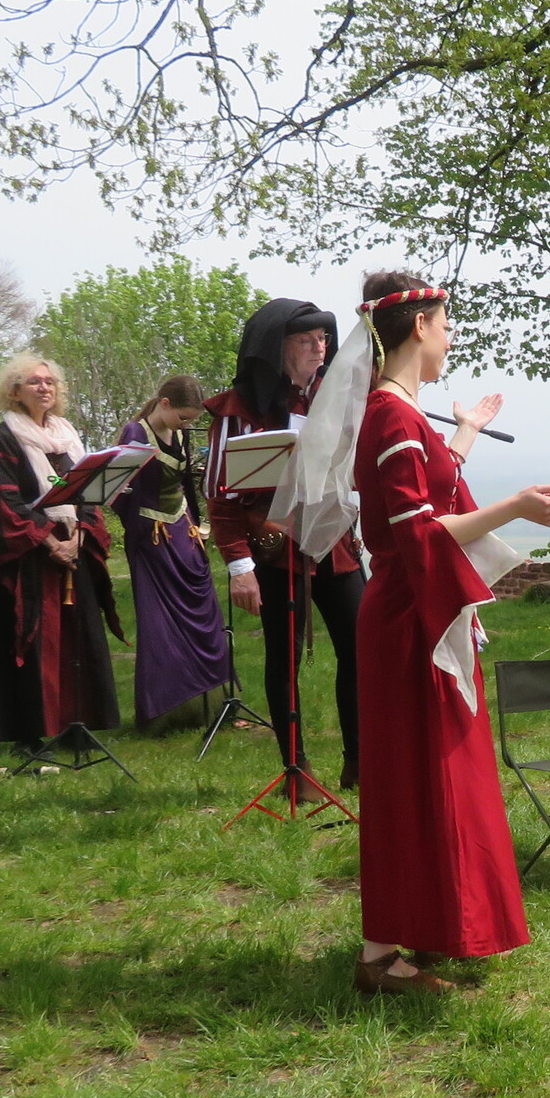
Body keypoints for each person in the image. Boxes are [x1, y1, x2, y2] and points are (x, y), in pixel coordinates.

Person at [351, 273, 550, 993]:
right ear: (419, 327)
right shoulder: (390, 416)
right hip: (406, 619)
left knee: (436, 777)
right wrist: (514, 507)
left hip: (418, 611)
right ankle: (379, 957)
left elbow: (429, 490)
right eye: (446, 327)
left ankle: (429, 925)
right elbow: (418, 532)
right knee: (411, 781)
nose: (449, 340)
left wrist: (466, 430)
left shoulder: (399, 411)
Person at [207, 300, 365, 789]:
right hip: (276, 550)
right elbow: (221, 497)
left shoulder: (335, 398)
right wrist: (240, 567)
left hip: (334, 539)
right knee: (284, 658)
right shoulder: (239, 409)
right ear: (277, 348)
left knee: (361, 648)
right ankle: (296, 769)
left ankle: (360, 764)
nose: (320, 348)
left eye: (323, 338)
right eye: (305, 340)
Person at [0, 353, 122, 753]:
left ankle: (76, 723)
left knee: (77, 638)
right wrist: (49, 541)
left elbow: (89, 490)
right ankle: (28, 733)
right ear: (14, 391)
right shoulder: (4, 436)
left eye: (49, 381)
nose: (44, 387)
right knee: (36, 641)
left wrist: (80, 535)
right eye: (34, 381)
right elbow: (7, 499)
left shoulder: (66, 434)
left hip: (74, 546)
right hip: (31, 554)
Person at [112, 374, 239, 732]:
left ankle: (211, 705)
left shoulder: (180, 433)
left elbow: (184, 484)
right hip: (151, 539)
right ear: (164, 404)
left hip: (184, 532)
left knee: (205, 615)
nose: (186, 425)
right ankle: (168, 712)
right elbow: (119, 493)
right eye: (183, 417)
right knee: (161, 626)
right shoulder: (135, 434)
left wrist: (196, 525)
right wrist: (141, 531)